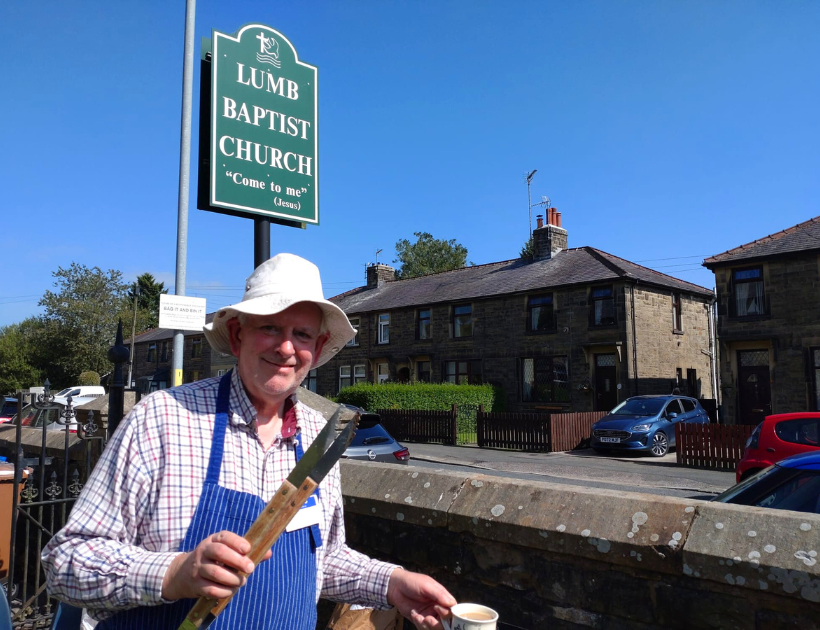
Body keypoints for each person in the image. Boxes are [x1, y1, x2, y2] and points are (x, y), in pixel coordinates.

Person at [42, 254, 456, 630]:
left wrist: (392, 583)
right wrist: (174, 574)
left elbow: (323, 562)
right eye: (270, 327)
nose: (287, 347)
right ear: (238, 335)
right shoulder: (163, 418)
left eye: (303, 334)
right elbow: (66, 563)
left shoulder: (319, 435)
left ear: (319, 346)